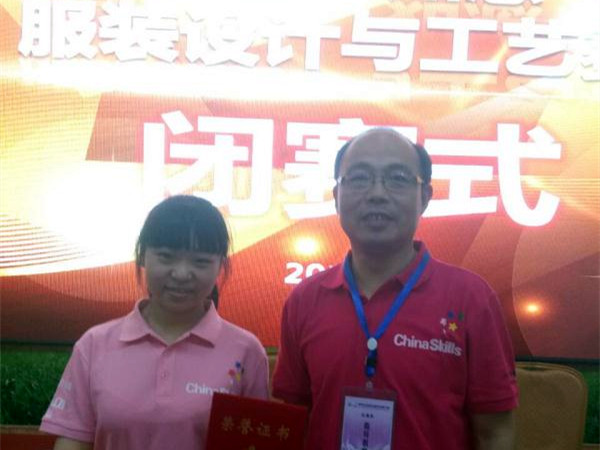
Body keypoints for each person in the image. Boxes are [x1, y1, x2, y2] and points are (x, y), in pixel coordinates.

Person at [272, 128, 518, 450]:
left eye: (398, 178)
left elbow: (495, 432)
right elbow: (292, 421)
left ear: (425, 197)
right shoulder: (305, 300)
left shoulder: (470, 298)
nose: (377, 193)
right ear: (336, 197)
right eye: (359, 178)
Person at [40, 195, 269, 450]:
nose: (181, 274)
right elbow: (73, 442)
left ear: (220, 266)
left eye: (200, 261)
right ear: (142, 257)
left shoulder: (246, 351)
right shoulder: (95, 345)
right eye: (166, 257)